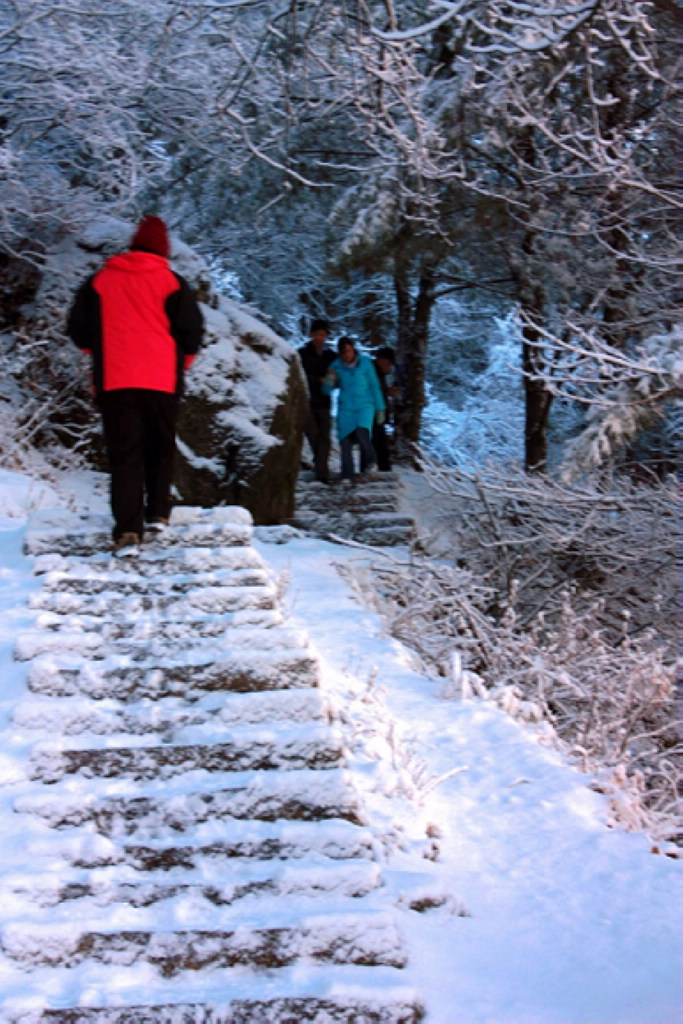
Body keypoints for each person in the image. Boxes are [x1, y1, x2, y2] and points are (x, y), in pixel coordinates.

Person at [67, 215, 204, 552]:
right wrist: (179, 365)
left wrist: (99, 350)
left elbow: (78, 330)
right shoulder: (173, 283)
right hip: (161, 382)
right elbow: (192, 335)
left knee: (124, 454)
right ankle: (158, 513)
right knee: (160, 446)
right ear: (164, 250)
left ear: (132, 244)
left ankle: (128, 527)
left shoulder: (100, 281)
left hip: (115, 380)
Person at [323, 336, 385, 486]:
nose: (347, 355)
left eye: (349, 351)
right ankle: (347, 475)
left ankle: (371, 462)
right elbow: (326, 390)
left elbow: (374, 386)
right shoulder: (335, 367)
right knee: (345, 441)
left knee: (362, 432)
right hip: (346, 408)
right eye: (343, 352)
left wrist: (380, 408)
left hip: (365, 404)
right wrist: (330, 381)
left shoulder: (365, 363)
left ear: (353, 350)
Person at [298, 318, 336, 484]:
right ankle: (321, 468)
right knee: (313, 434)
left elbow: (337, 375)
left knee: (325, 436)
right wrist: (316, 380)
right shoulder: (302, 353)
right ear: (312, 334)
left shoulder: (331, 356)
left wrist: (330, 382)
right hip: (307, 399)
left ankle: (322, 469)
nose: (320, 337)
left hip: (325, 399)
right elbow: (300, 375)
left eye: (323, 334)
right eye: (317, 334)